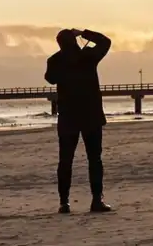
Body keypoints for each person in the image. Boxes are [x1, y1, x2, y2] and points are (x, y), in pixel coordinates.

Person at [44, 28, 113, 214]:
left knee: (65, 160)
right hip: (90, 116)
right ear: (74, 40)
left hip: (68, 117)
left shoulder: (55, 60)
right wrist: (84, 33)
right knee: (94, 159)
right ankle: (96, 200)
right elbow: (106, 42)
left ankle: (64, 203)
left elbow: (50, 78)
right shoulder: (88, 57)